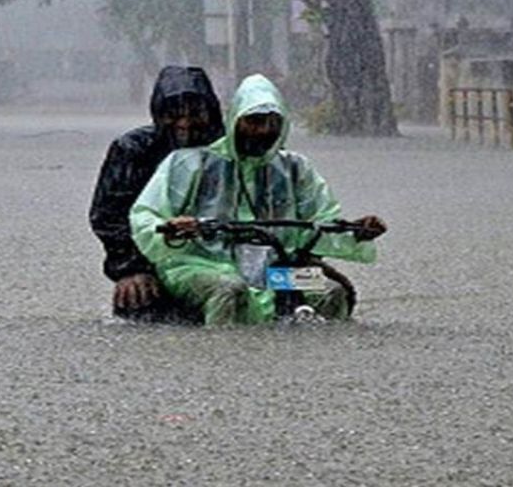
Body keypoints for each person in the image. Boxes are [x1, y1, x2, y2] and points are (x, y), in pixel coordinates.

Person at [129, 74, 387, 325]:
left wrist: (356, 232)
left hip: (275, 272)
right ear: (235, 120)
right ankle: (221, 360)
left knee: (331, 291)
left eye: (272, 123)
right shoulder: (188, 163)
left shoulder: (295, 168)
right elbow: (145, 215)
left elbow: (320, 223)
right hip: (202, 264)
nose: (263, 130)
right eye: (254, 121)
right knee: (230, 290)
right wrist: (172, 230)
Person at [90, 65, 224, 320]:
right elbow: (108, 215)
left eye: (195, 113)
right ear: (157, 114)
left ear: (212, 112)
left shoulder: (231, 148)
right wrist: (130, 268)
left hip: (227, 255)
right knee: (140, 299)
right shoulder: (133, 149)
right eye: (172, 114)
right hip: (152, 259)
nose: (185, 123)